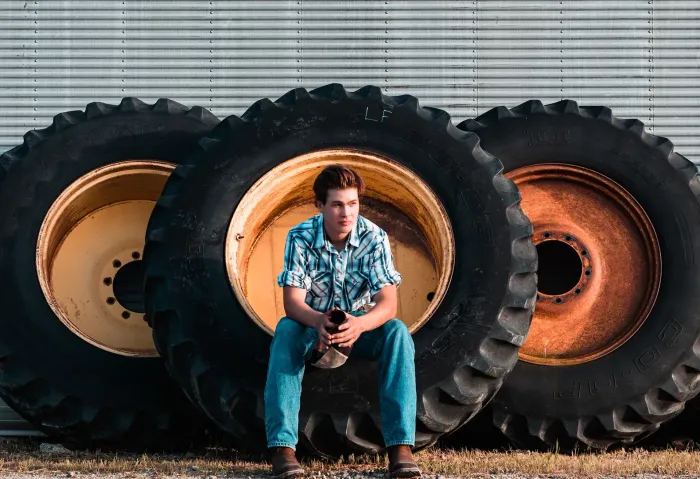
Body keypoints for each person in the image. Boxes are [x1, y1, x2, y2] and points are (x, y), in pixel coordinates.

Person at [265, 164, 421, 479]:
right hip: (312, 325)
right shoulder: (300, 237)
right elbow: (292, 302)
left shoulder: (374, 237)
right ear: (320, 205)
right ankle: (283, 448)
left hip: (359, 325)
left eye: (352, 204)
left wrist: (360, 325)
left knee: (397, 333)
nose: (346, 213)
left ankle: (400, 447)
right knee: (284, 330)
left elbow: (388, 303)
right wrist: (318, 321)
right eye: (337, 204)